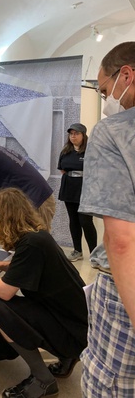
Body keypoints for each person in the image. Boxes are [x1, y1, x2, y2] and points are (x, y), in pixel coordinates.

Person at [0, 187, 88, 398]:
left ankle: (43, 381)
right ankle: (66, 357)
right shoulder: (38, 237)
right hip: (75, 323)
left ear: (7, 217)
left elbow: (5, 292)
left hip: (72, 332)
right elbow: (30, 265)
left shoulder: (31, 244)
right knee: (7, 305)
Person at [79, 41, 135, 397]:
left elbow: (122, 240)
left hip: (126, 293)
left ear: (126, 75)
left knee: (111, 386)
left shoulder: (113, 131)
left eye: (103, 90)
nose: (105, 100)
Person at [57, 123, 97, 261]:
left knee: (86, 221)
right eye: (71, 134)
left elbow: (95, 171)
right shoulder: (65, 151)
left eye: (76, 133)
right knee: (73, 220)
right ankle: (77, 251)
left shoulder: (90, 150)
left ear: (83, 135)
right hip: (69, 189)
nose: (73, 136)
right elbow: (63, 169)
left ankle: (94, 254)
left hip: (85, 190)